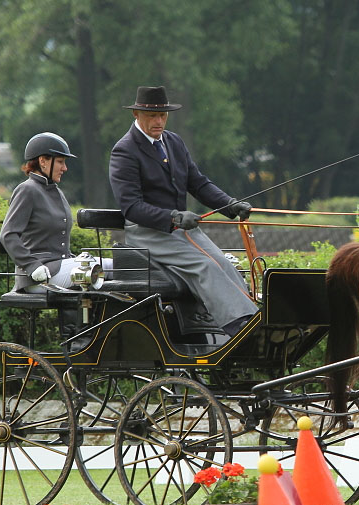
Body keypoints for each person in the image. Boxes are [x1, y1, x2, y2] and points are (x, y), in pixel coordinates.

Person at [108, 85, 257, 338]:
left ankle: (253, 319)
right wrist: (173, 217)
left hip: (182, 230)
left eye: (163, 115)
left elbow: (198, 183)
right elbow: (131, 207)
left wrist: (229, 205)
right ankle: (238, 328)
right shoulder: (125, 151)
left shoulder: (174, 142)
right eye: (152, 116)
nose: (159, 121)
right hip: (149, 233)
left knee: (223, 262)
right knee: (205, 266)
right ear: (136, 114)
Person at [0, 132, 107, 292]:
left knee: (115, 266)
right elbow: (7, 235)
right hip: (37, 276)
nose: (65, 168)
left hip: (59, 267)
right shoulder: (27, 189)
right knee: (98, 266)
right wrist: (32, 266)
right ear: (43, 161)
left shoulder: (56, 191)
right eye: (60, 162)